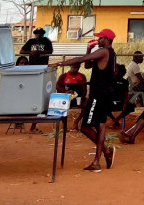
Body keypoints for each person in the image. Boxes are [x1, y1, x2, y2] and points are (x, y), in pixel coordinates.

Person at [49, 28, 117, 172]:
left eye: (100, 38)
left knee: (85, 127)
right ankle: (98, 160)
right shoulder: (110, 53)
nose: (98, 41)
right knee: (101, 125)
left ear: (107, 39)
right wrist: (88, 49)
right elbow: (87, 65)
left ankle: (104, 152)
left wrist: (60, 63)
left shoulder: (104, 51)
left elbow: (81, 61)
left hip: (98, 94)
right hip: (105, 94)